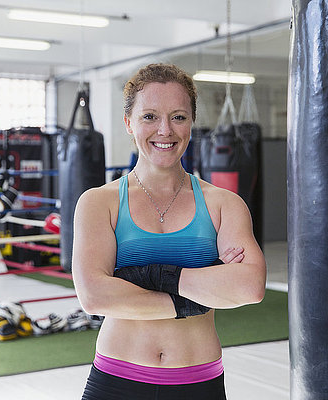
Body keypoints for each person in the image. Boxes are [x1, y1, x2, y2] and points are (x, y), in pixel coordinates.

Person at [72, 63, 266, 399]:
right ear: (128, 123)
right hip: (117, 379)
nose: (165, 130)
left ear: (191, 122)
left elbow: (249, 287)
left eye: (178, 116)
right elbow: (95, 296)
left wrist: (153, 277)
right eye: (149, 116)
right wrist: (195, 295)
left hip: (198, 381)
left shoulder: (223, 204)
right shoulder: (98, 203)